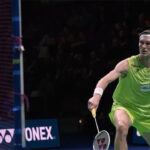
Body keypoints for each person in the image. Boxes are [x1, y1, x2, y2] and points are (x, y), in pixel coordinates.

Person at [88, 29, 150, 150]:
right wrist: (96, 97)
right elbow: (105, 80)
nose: (143, 46)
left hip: (147, 113)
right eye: (141, 42)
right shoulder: (127, 64)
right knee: (121, 126)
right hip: (125, 107)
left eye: (148, 43)